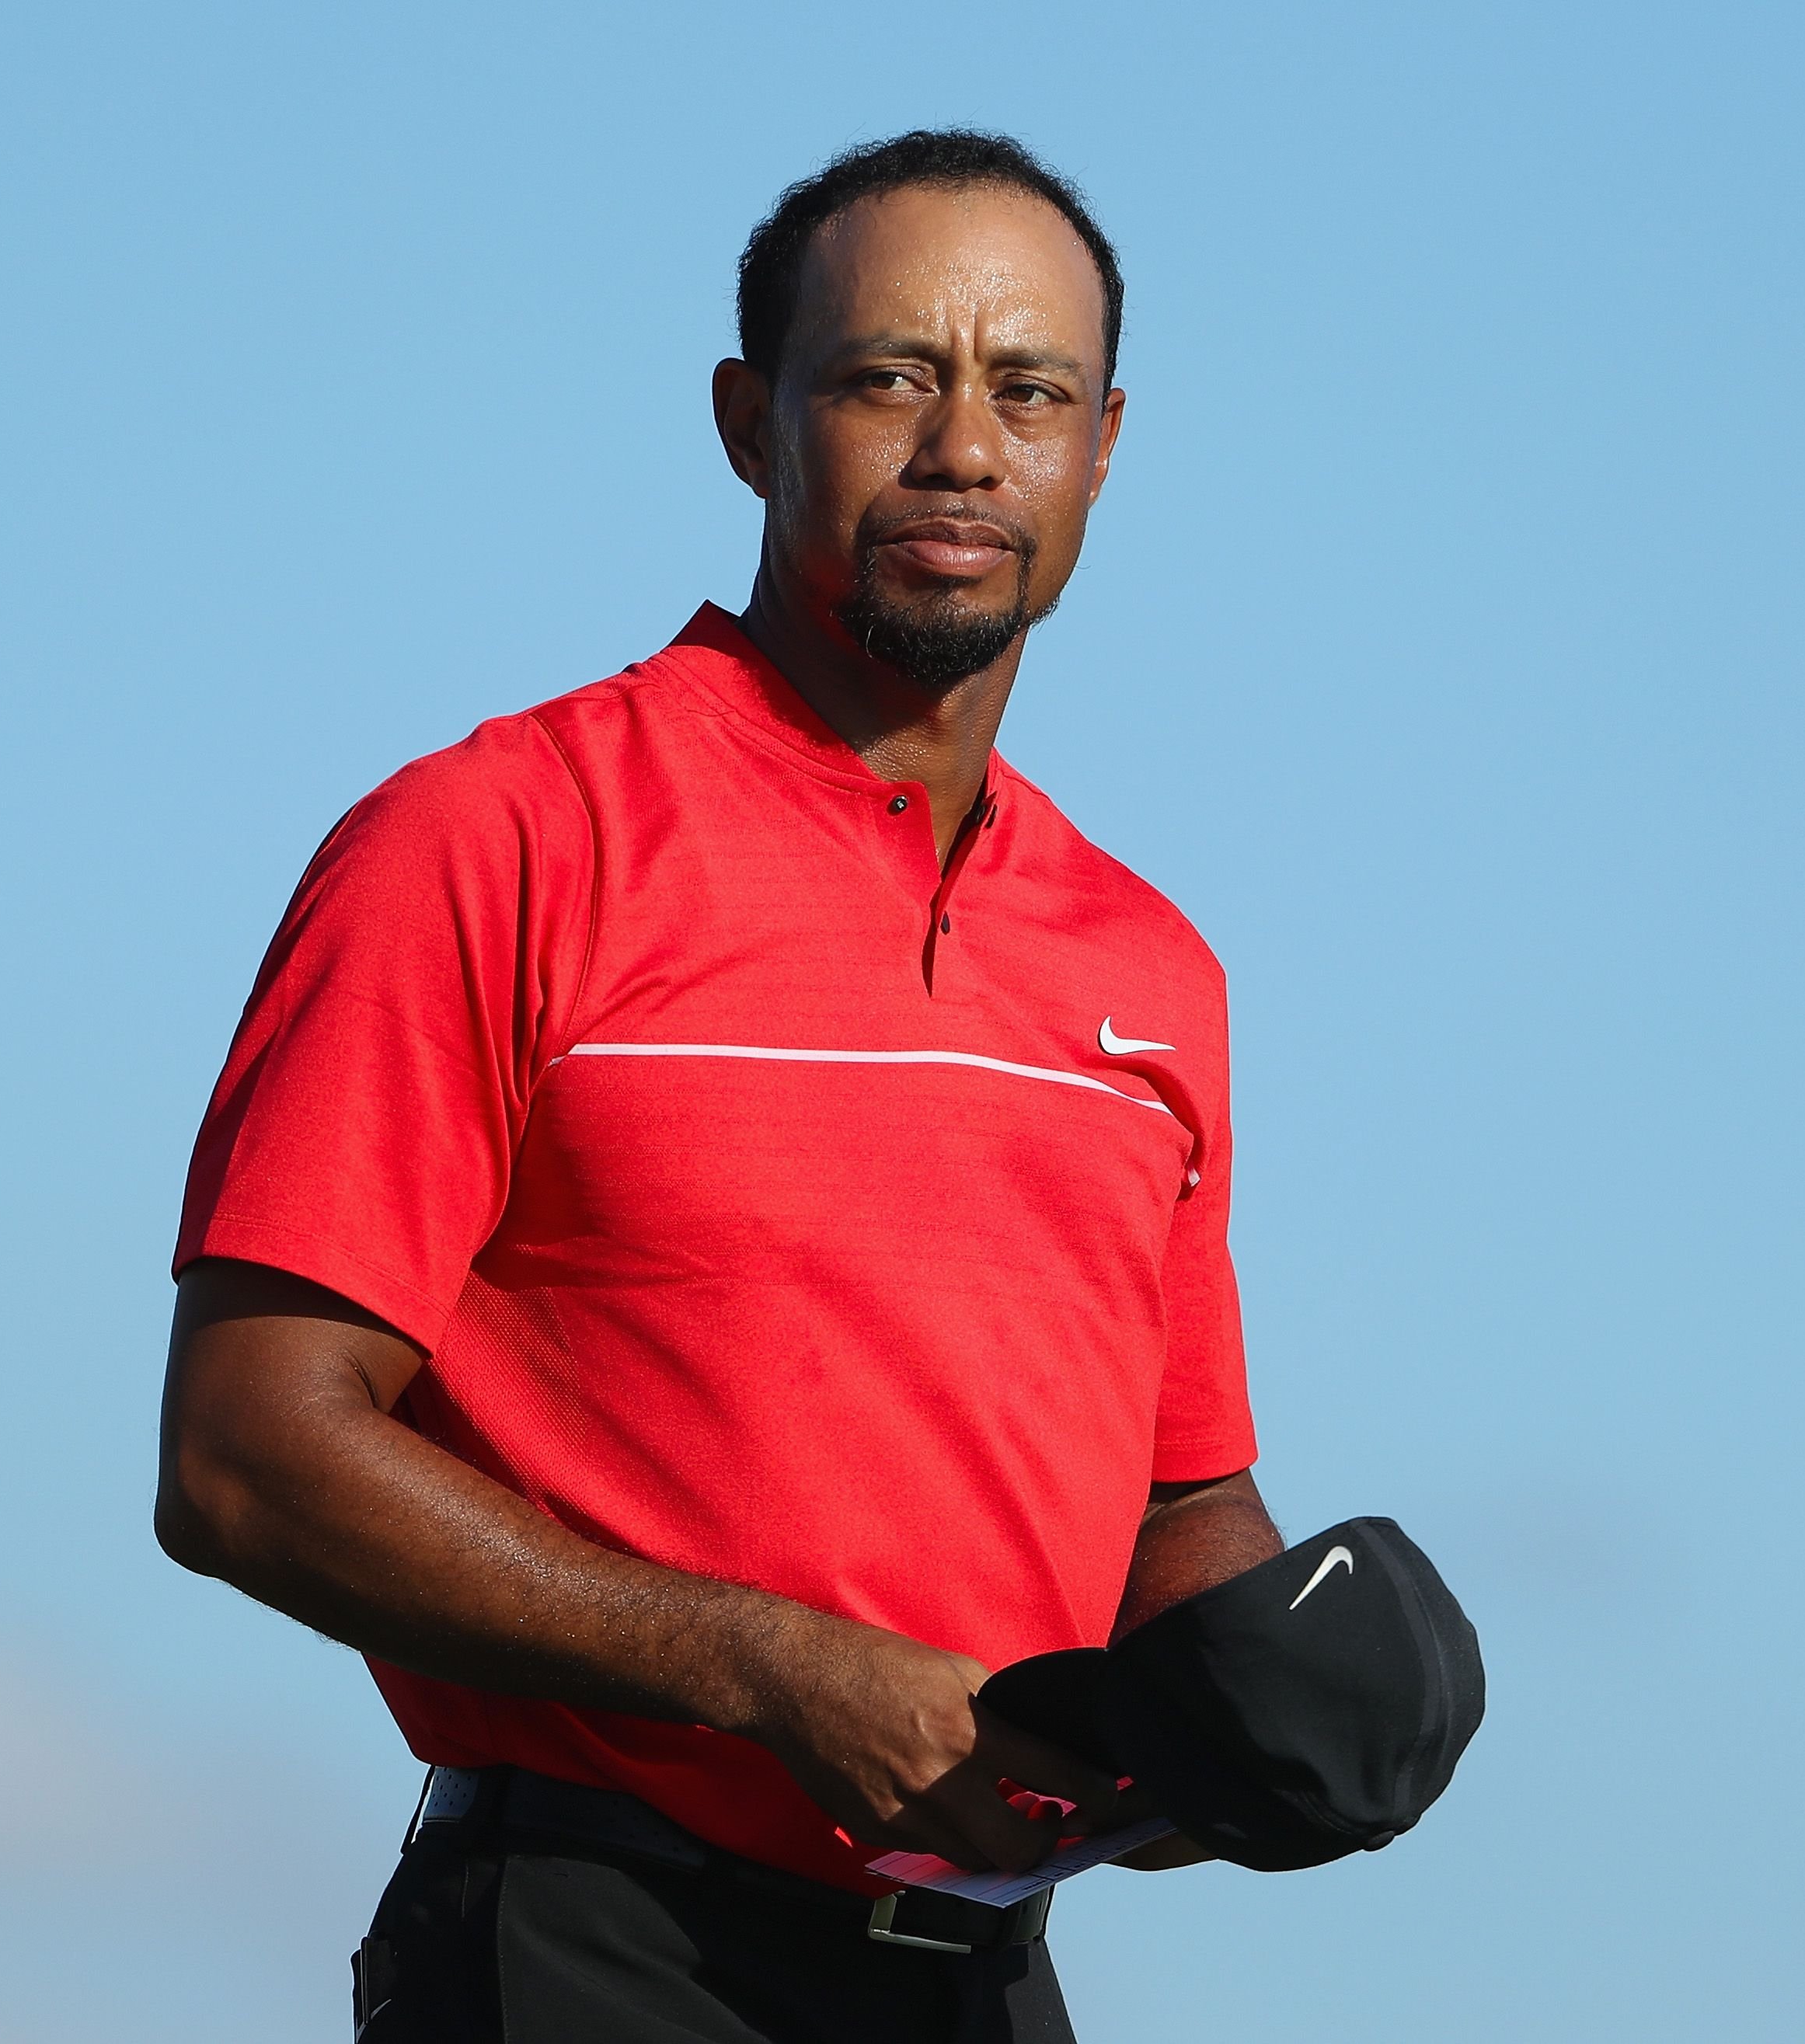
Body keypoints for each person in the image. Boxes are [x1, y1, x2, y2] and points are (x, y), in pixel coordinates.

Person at [155, 129, 1284, 2042]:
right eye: (883, 376)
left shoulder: (1147, 968)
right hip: (597, 1948)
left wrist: (1282, 1693)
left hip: (985, 1981)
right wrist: (762, 1665)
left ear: (1101, 448)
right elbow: (243, 1452)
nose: (958, 444)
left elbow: (1182, 1519)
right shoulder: (497, 836)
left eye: (1025, 390)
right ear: (748, 422)